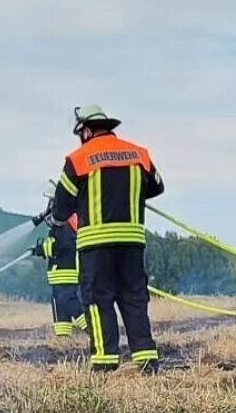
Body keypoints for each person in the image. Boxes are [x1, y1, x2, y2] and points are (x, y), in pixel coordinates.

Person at [48, 105, 165, 373]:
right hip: (132, 244)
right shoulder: (139, 154)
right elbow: (157, 186)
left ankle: (105, 364)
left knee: (99, 301)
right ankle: (147, 361)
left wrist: (57, 219)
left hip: (95, 245)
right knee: (134, 299)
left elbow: (62, 207)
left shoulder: (78, 159)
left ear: (87, 131)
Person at [30, 206, 87, 337]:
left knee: (70, 304)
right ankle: (63, 337)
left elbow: (62, 246)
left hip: (65, 275)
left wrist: (42, 248)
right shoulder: (63, 225)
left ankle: (90, 328)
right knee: (61, 308)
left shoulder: (65, 226)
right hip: (61, 275)